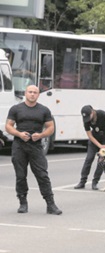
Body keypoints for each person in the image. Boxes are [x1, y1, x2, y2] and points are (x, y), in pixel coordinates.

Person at [5, 85, 62, 215]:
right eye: (30, 92)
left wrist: (41, 135)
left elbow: (50, 127)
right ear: (25, 93)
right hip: (19, 145)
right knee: (20, 176)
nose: (32, 94)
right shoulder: (16, 109)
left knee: (42, 175)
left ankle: (50, 205)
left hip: (36, 146)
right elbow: (8, 126)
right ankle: (23, 203)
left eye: (35, 92)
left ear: (38, 95)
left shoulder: (43, 110)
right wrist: (19, 134)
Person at [74, 105, 105, 190]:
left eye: (89, 117)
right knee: (89, 158)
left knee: (101, 160)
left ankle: (95, 182)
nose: (87, 120)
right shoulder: (86, 119)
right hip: (95, 138)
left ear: (92, 112)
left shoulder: (102, 114)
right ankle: (82, 181)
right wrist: (99, 146)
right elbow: (90, 135)